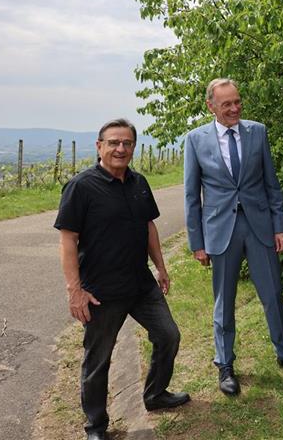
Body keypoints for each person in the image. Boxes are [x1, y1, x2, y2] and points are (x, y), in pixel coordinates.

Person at [55, 119, 189, 440]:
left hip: (141, 285)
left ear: (133, 148)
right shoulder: (81, 187)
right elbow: (68, 240)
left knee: (168, 335)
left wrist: (161, 267)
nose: (120, 148)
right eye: (113, 142)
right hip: (100, 292)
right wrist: (75, 290)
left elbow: (149, 228)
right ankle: (96, 427)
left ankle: (155, 394)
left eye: (127, 143)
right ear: (99, 146)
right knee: (98, 361)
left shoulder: (139, 182)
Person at [184, 78, 283, 397]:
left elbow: (272, 184)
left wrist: (279, 225)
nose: (235, 108)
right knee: (223, 302)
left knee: (273, 295)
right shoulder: (195, 140)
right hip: (220, 230)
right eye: (226, 104)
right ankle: (225, 363)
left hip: (259, 227)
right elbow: (191, 196)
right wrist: (197, 242)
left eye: (237, 102)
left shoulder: (258, 131)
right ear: (210, 106)